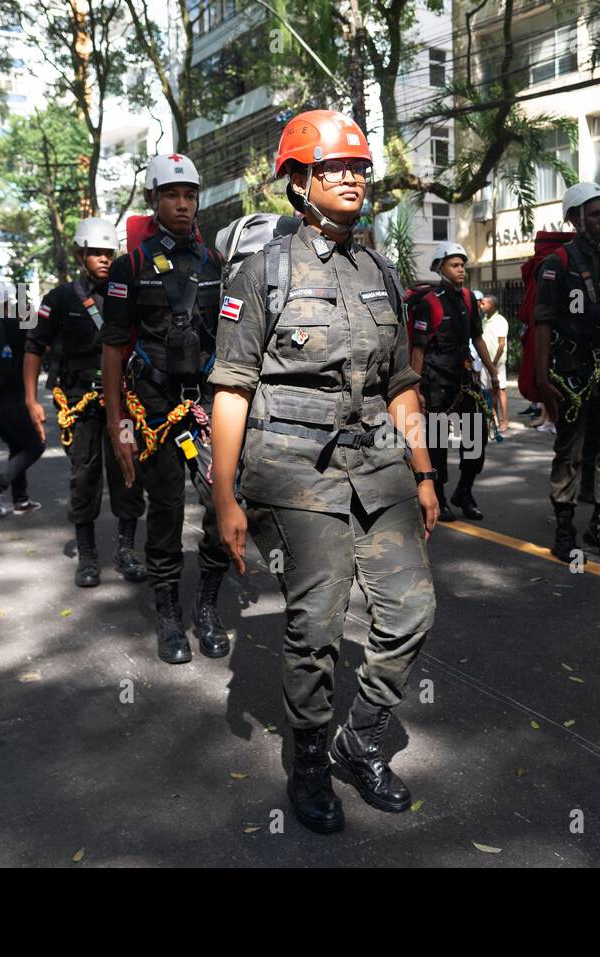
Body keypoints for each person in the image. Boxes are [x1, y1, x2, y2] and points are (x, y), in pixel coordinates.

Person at [210, 109, 437, 834]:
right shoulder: (262, 271)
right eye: (335, 167)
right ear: (298, 181)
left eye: (359, 167)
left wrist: (425, 469)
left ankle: (360, 737)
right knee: (317, 626)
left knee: (410, 611)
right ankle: (309, 761)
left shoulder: (379, 270)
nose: (351, 178)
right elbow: (231, 388)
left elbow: (400, 379)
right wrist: (223, 496)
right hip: (292, 471)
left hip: (377, 463)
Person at [101, 152, 235, 664]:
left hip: (205, 403)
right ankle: (168, 615)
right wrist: (119, 425)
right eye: (172, 195)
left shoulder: (215, 265)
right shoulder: (129, 266)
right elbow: (113, 348)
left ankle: (205, 606)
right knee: (166, 512)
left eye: (189, 195)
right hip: (153, 407)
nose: (182, 204)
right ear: (153, 201)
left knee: (224, 499)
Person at [26, 216, 147, 588]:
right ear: (80, 255)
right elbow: (34, 347)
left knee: (129, 473)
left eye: (108, 252)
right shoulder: (59, 299)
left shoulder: (127, 290)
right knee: (84, 477)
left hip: (125, 401)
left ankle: (126, 550)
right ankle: (88, 555)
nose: (103, 259)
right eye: (95, 253)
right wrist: (31, 399)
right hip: (79, 403)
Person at [533, 182, 600, 562]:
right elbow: (541, 324)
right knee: (569, 450)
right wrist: (542, 380)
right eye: (594, 214)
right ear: (575, 219)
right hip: (570, 372)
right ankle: (564, 528)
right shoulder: (556, 265)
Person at [409, 241, 498, 520]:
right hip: (435, 385)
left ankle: (465, 491)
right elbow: (418, 350)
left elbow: (477, 337)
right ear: (440, 268)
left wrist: (492, 370)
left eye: (462, 265)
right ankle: (440, 496)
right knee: (436, 446)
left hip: (464, 381)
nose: (461, 270)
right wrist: (416, 389)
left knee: (476, 440)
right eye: (455, 265)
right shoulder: (429, 303)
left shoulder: (470, 299)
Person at [0, 284, 45, 515]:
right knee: (35, 445)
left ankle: (21, 500)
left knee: (17, 445)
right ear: (6, 303)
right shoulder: (15, 326)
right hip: (11, 400)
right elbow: (41, 337)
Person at [479, 293, 509, 430]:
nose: (481, 305)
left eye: (484, 303)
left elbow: (501, 344)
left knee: (500, 390)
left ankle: (505, 420)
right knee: (489, 391)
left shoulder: (501, 321)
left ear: (491, 305)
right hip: (486, 362)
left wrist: (494, 363)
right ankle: (494, 418)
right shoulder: (484, 320)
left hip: (497, 362)